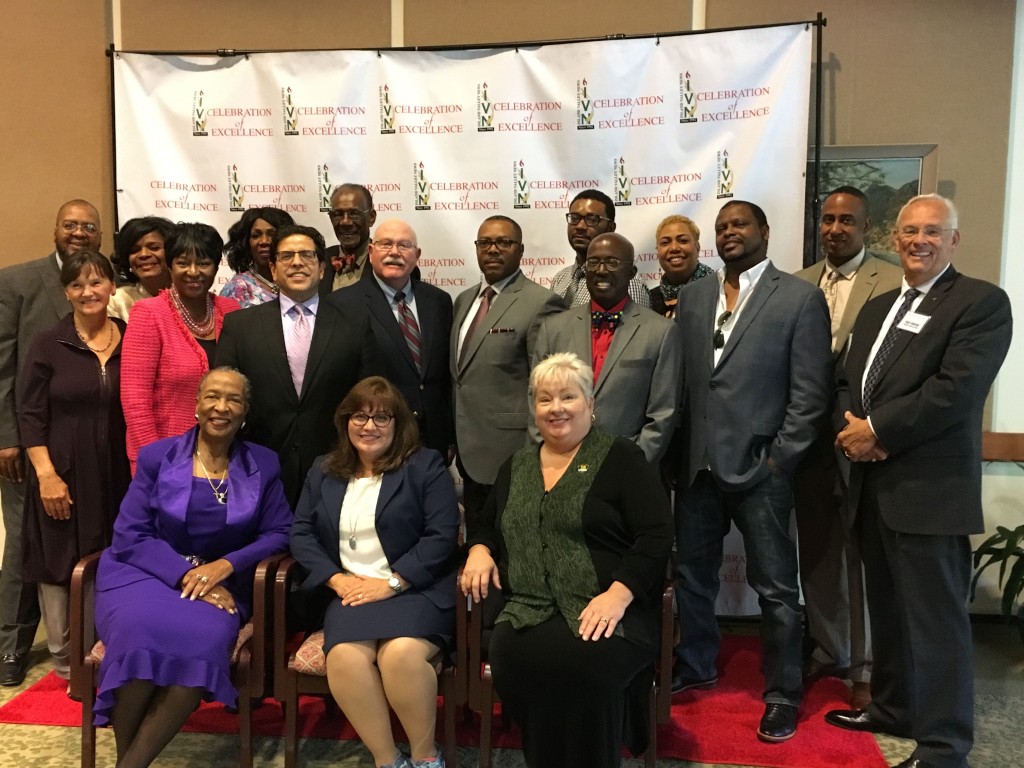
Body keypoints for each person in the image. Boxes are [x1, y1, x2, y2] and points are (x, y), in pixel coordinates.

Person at [826, 194, 1013, 768]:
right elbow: (848, 384)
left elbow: (956, 390)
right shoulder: (880, 306)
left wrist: (877, 430)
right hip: (871, 488)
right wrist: (855, 426)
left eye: (933, 231)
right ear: (895, 237)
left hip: (929, 492)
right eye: (909, 231)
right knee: (887, 609)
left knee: (936, 622)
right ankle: (892, 707)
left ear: (954, 240)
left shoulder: (981, 303)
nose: (919, 240)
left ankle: (942, 744)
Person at [671, 200, 832, 742]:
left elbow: (810, 396)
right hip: (698, 468)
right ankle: (696, 664)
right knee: (693, 578)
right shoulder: (693, 297)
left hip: (763, 471)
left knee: (777, 590)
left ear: (765, 231)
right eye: (721, 227)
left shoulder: (800, 298)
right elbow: (687, 385)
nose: (729, 233)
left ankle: (782, 692)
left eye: (739, 224)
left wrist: (779, 460)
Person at [462, 352, 673, 768]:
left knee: (584, 666)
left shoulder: (621, 458)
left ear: (590, 405)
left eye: (567, 397)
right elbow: (486, 525)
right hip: (528, 610)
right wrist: (479, 549)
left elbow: (657, 534)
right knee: (519, 656)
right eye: (544, 399)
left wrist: (620, 593)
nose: (556, 408)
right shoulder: (515, 466)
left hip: (611, 609)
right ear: (533, 410)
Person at [93, 368, 291, 767]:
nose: (222, 407)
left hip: (223, 584)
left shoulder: (264, 464)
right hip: (143, 574)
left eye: (233, 399)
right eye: (213, 397)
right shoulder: (157, 457)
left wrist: (224, 566)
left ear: (246, 411)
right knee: (138, 633)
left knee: (201, 644)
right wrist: (186, 573)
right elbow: (129, 534)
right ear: (197, 405)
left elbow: (280, 532)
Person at [290, 376, 459, 768]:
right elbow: (301, 533)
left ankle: (426, 758)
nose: (370, 426)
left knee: (400, 657)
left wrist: (394, 582)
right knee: (345, 659)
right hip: (351, 594)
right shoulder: (324, 469)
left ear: (399, 424)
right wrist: (336, 579)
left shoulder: (424, 465)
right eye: (359, 416)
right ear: (344, 421)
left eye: (382, 417)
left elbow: (442, 534)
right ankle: (388, 761)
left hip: (417, 590)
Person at [792, 186, 903, 710]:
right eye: (828, 219)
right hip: (808, 439)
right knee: (816, 548)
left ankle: (865, 664)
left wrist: (879, 427)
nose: (835, 229)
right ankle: (827, 647)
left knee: (861, 553)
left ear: (865, 227)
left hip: (863, 437)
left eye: (847, 221)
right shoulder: (797, 284)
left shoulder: (894, 281)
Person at [0, 198, 100, 687]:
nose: (79, 232)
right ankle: (11, 647)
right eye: (70, 224)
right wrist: (8, 439)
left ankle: (92, 647)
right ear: (55, 229)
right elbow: (4, 366)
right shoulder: (17, 280)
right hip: (32, 447)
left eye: (89, 226)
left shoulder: (119, 310)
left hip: (97, 454)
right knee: (27, 548)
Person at [16, 250, 129, 682]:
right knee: (59, 560)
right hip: (60, 470)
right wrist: (46, 475)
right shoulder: (49, 343)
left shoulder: (132, 337)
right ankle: (66, 663)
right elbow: (29, 413)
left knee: (109, 555)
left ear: (112, 286)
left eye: (97, 282)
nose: (88, 292)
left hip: (118, 472)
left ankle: (103, 652)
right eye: (78, 285)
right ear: (66, 292)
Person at [216, 224, 379, 509]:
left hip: (336, 464)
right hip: (259, 465)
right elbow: (225, 397)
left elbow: (368, 397)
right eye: (286, 256)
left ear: (321, 268)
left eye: (306, 255)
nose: (297, 262)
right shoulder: (240, 326)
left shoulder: (354, 323)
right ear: (274, 269)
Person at [451, 215, 565, 521]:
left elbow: (545, 385)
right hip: (467, 452)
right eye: (485, 242)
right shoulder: (463, 301)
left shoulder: (542, 302)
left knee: (514, 553)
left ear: (521, 250)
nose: (493, 249)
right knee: (478, 547)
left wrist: (539, 451)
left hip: (514, 453)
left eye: (504, 242)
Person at [532, 232, 681, 465]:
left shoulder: (661, 332)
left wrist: (632, 465)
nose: (601, 270)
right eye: (594, 262)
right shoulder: (554, 329)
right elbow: (536, 400)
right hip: (560, 465)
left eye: (612, 262)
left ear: (631, 273)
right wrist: (548, 458)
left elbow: (663, 415)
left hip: (626, 469)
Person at [121, 222, 241, 473]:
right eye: (183, 263)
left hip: (223, 456)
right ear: (170, 265)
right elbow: (135, 400)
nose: (193, 272)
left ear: (217, 265)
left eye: (204, 263)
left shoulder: (231, 311)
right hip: (165, 455)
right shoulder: (149, 313)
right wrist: (154, 459)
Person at [332, 219, 454, 458]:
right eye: (386, 244)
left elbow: (443, 376)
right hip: (377, 437)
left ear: (417, 254)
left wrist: (449, 435)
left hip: (434, 439)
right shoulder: (343, 305)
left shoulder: (439, 301)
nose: (394, 252)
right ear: (370, 251)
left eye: (404, 245)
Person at [549, 189, 650, 308]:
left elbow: (636, 325)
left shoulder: (626, 282)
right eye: (574, 218)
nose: (580, 226)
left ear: (610, 228)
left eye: (591, 219)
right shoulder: (560, 278)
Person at [219, 207, 295, 307]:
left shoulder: (301, 281)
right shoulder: (237, 290)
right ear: (246, 243)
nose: (264, 241)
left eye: (272, 234)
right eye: (256, 235)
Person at [107, 216, 176, 321]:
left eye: (154, 248)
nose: (143, 255)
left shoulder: (189, 298)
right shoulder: (117, 301)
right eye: (134, 250)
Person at [649, 214, 714, 318]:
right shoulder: (650, 299)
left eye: (683, 240)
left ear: (697, 247)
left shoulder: (717, 290)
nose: (674, 248)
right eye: (665, 243)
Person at [322, 183, 378, 296]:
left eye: (354, 214)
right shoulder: (320, 260)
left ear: (371, 218)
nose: (345, 222)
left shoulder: (386, 262)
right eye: (338, 214)